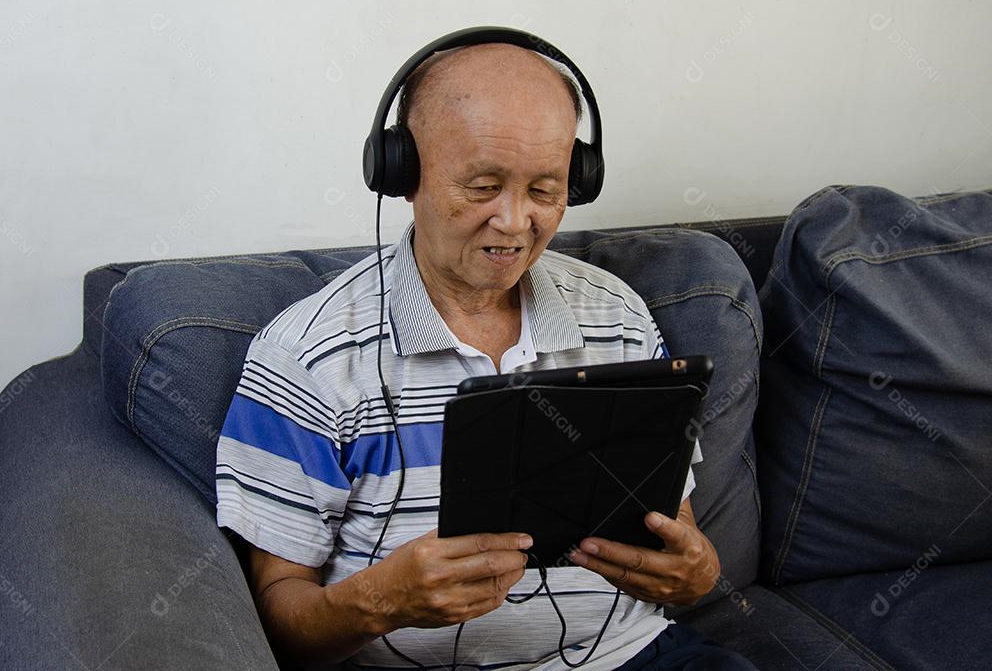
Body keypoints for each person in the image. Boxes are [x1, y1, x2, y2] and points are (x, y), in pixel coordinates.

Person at [215, 38, 755, 670]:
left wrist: (694, 572)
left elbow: (676, 532)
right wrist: (381, 602)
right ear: (403, 175)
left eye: (545, 190)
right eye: (484, 186)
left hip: (629, 656)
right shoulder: (305, 356)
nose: (515, 221)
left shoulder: (620, 315)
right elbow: (277, 626)